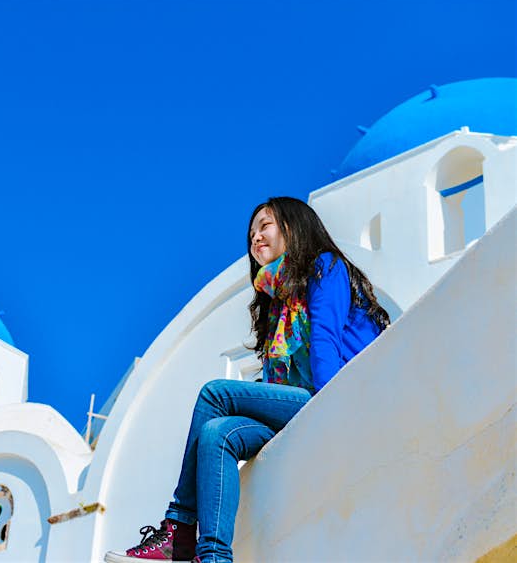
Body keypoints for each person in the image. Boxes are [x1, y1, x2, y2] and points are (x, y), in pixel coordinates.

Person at [104, 197, 390, 563]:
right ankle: (213, 557)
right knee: (216, 434)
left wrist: (326, 404)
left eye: (265, 226)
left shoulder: (326, 266)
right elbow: (276, 377)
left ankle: (178, 528)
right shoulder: (275, 301)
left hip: (333, 395)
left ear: (293, 226)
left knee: (214, 394)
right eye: (251, 233)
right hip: (295, 409)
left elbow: (325, 340)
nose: (255, 238)